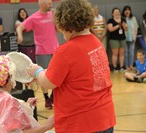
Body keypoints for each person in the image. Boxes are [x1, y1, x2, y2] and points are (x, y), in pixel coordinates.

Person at [29, 0, 116, 132]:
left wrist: (37, 71)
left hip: (80, 123)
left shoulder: (66, 51)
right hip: (105, 118)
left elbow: (48, 82)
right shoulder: (96, 42)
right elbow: (78, 73)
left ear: (66, 24)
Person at [0, 55, 54, 133]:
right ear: (7, 79)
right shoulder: (7, 102)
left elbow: (3, 119)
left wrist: (25, 107)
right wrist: (46, 126)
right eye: (12, 75)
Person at [16, 0, 59, 109]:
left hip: (55, 49)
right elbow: (19, 27)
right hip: (42, 50)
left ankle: (53, 96)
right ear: (42, 4)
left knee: (57, 74)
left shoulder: (52, 15)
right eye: (49, 4)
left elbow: (58, 30)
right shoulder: (34, 18)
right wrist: (20, 36)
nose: (51, 5)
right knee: (43, 75)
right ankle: (46, 99)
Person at [107, 7, 127, 72]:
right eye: (115, 12)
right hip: (113, 39)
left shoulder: (123, 19)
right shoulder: (110, 20)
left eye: (118, 12)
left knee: (122, 54)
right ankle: (115, 67)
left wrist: (124, 26)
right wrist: (118, 26)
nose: (117, 13)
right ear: (112, 14)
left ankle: (121, 67)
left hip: (122, 38)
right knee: (115, 54)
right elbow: (110, 29)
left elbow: (126, 29)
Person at [122, 5, 139, 71]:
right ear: (124, 11)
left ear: (130, 11)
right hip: (124, 38)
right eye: (125, 10)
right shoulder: (122, 18)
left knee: (131, 52)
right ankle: (126, 66)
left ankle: (131, 65)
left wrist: (135, 37)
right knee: (125, 53)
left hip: (132, 38)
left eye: (128, 10)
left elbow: (136, 28)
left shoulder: (133, 18)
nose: (127, 11)